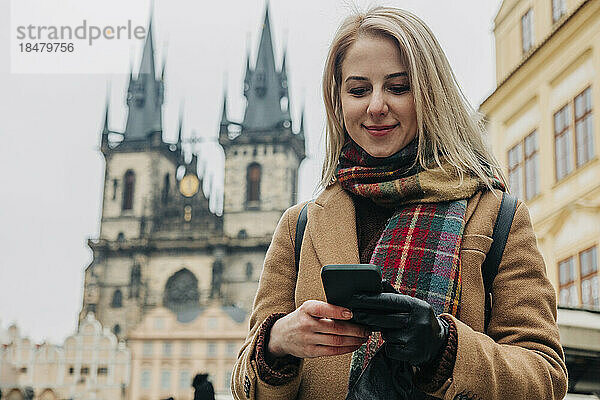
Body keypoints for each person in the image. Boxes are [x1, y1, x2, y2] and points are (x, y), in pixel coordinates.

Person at [231, 6, 567, 400]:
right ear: (338, 103)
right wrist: (277, 343)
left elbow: (545, 378)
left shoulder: (497, 215)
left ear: (429, 94)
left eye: (398, 87)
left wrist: (444, 348)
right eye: (358, 90)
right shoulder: (300, 225)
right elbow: (245, 386)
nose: (376, 105)